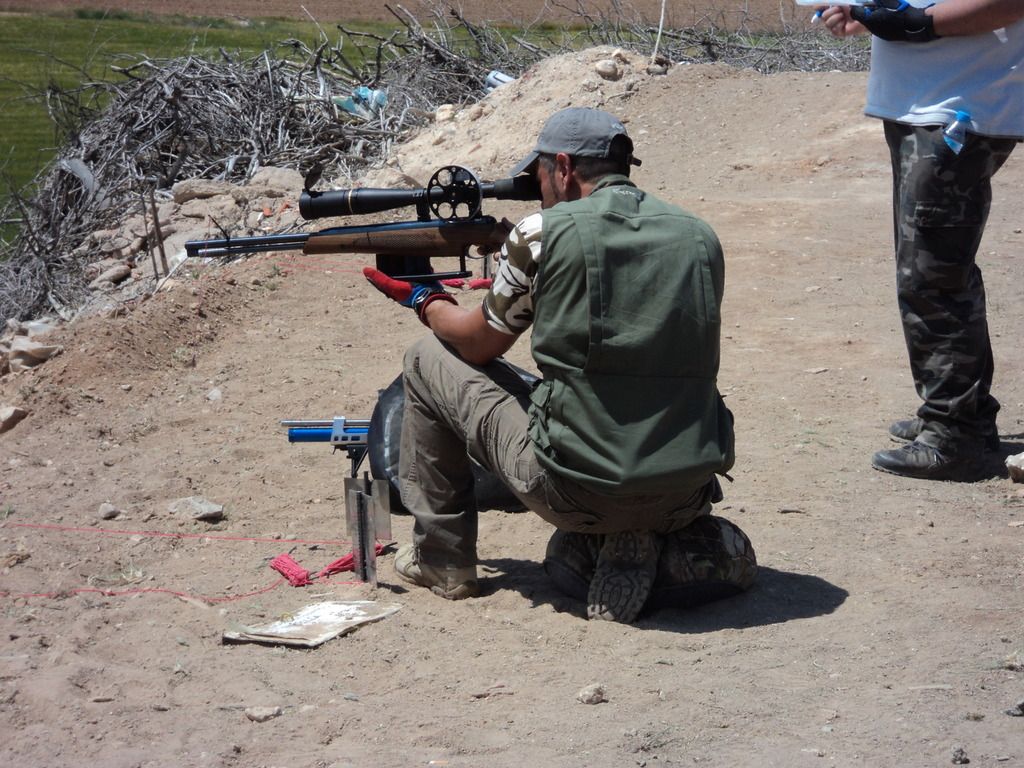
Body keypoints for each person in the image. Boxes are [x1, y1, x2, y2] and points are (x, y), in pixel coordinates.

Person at [363, 107, 752, 623]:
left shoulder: (540, 233)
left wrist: (426, 300)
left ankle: (444, 561)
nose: (539, 187)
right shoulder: (697, 235)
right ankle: (637, 528)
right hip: (685, 486)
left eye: (540, 173)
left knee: (426, 356)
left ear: (563, 167)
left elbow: (478, 346)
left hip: (576, 487)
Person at [820, 0, 1024, 480]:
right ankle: (960, 414)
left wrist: (918, 24)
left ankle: (956, 436)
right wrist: (870, 15)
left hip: (959, 111)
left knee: (933, 277)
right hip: (931, 107)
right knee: (932, 269)